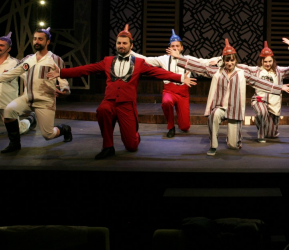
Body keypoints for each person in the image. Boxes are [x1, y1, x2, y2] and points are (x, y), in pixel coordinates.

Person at [48, 25, 197, 160]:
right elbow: (86, 69)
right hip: (110, 101)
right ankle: (108, 146)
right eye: (119, 43)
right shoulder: (108, 61)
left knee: (131, 146)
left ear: (131, 46)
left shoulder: (138, 63)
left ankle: (135, 137)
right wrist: (61, 72)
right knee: (102, 110)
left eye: (125, 43)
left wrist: (180, 77)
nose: (121, 45)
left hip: (126, 105)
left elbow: (158, 72)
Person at [169, 39, 289, 156]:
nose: (229, 63)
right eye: (227, 60)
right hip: (220, 106)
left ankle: (234, 140)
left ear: (235, 60)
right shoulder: (217, 72)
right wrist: (179, 58)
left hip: (234, 109)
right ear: (223, 60)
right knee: (214, 115)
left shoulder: (241, 73)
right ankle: (213, 145)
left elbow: (258, 82)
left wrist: (279, 87)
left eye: (232, 60)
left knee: (233, 146)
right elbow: (201, 68)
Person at [0, 27, 72, 153]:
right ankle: (14, 144)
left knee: (48, 135)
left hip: (45, 100)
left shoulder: (55, 59)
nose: (36, 41)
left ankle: (65, 129)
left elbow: (63, 80)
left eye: (40, 39)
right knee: (9, 111)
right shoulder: (28, 59)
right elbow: (11, 73)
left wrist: (65, 90)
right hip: (27, 97)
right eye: (35, 39)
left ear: (47, 42)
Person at [132, 29, 219, 138]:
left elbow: (203, 62)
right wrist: (130, 52)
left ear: (181, 48)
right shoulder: (164, 59)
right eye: (173, 46)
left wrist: (220, 58)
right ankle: (171, 126)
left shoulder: (187, 59)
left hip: (183, 93)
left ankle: (182, 123)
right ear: (169, 48)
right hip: (169, 91)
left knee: (185, 127)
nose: (175, 48)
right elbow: (146, 59)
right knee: (166, 102)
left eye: (177, 46)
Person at [237, 41, 289, 142]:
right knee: (262, 112)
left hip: (273, 104)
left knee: (271, 134)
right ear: (261, 61)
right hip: (259, 100)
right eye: (265, 61)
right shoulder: (256, 70)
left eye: (270, 61)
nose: (268, 64)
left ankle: (266, 127)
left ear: (273, 60)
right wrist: (224, 62)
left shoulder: (279, 71)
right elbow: (242, 67)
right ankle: (260, 134)